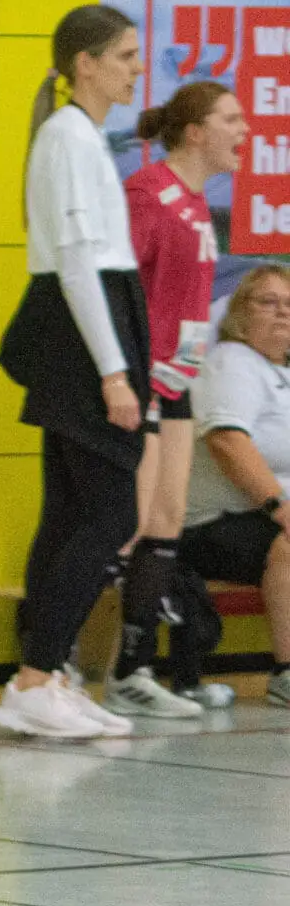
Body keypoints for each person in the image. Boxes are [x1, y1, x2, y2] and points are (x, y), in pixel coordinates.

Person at [0, 5, 151, 740]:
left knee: (65, 515)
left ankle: (46, 674)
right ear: (84, 64)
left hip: (93, 328)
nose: (136, 68)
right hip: (82, 337)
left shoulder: (83, 137)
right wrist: (113, 373)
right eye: (124, 55)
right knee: (113, 516)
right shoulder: (67, 138)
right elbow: (79, 263)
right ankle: (34, 677)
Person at [113, 80, 247, 716]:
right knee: (128, 524)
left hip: (177, 377)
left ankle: (133, 671)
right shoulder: (149, 193)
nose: (244, 131)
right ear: (195, 132)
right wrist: (122, 375)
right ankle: (54, 664)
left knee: (166, 521)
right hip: (141, 379)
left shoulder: (195, 202)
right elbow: (115, 288)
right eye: (231, 119)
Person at [180, 263, 290, 705]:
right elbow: (227, 441)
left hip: (257, 521)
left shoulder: (281, 373)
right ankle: (286, 674)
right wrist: (279, 507)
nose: (282, 312)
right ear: (240, 313)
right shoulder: (232, 362)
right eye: (268, 302)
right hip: (213, 525)